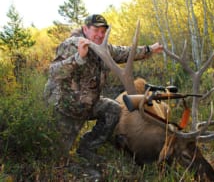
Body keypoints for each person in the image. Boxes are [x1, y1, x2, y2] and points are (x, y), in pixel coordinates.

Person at [44, 14, 163, 164]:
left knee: (113, 109)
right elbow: (54, 72)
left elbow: (125, 52)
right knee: (56, 157)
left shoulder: (103, 48)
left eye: (103, 31)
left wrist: (149, 49)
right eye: (96, 30)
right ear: (85, 29)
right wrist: (78, 58)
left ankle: (87, 147)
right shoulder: (71, 45)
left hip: (89, 104)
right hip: (66, 108)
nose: (100, 35)